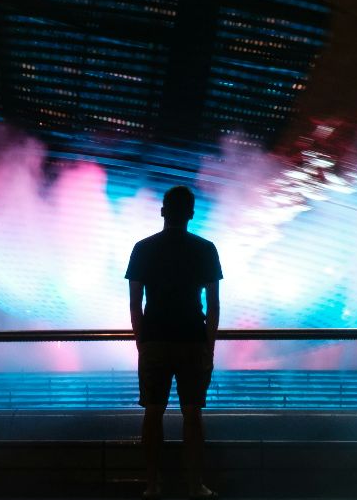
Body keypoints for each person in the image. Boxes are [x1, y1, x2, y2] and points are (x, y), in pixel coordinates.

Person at [126, 186, 222, 500]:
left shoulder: (143, 248)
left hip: (154, 339)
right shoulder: (205, 248)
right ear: (191, 213)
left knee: (153, 412)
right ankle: (195, 485)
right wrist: (209, 345)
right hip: (193, 340)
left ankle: (153, 484)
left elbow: (135, 303)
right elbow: (214, 304)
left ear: (163, 211)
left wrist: (142, 341)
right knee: (193, 414)